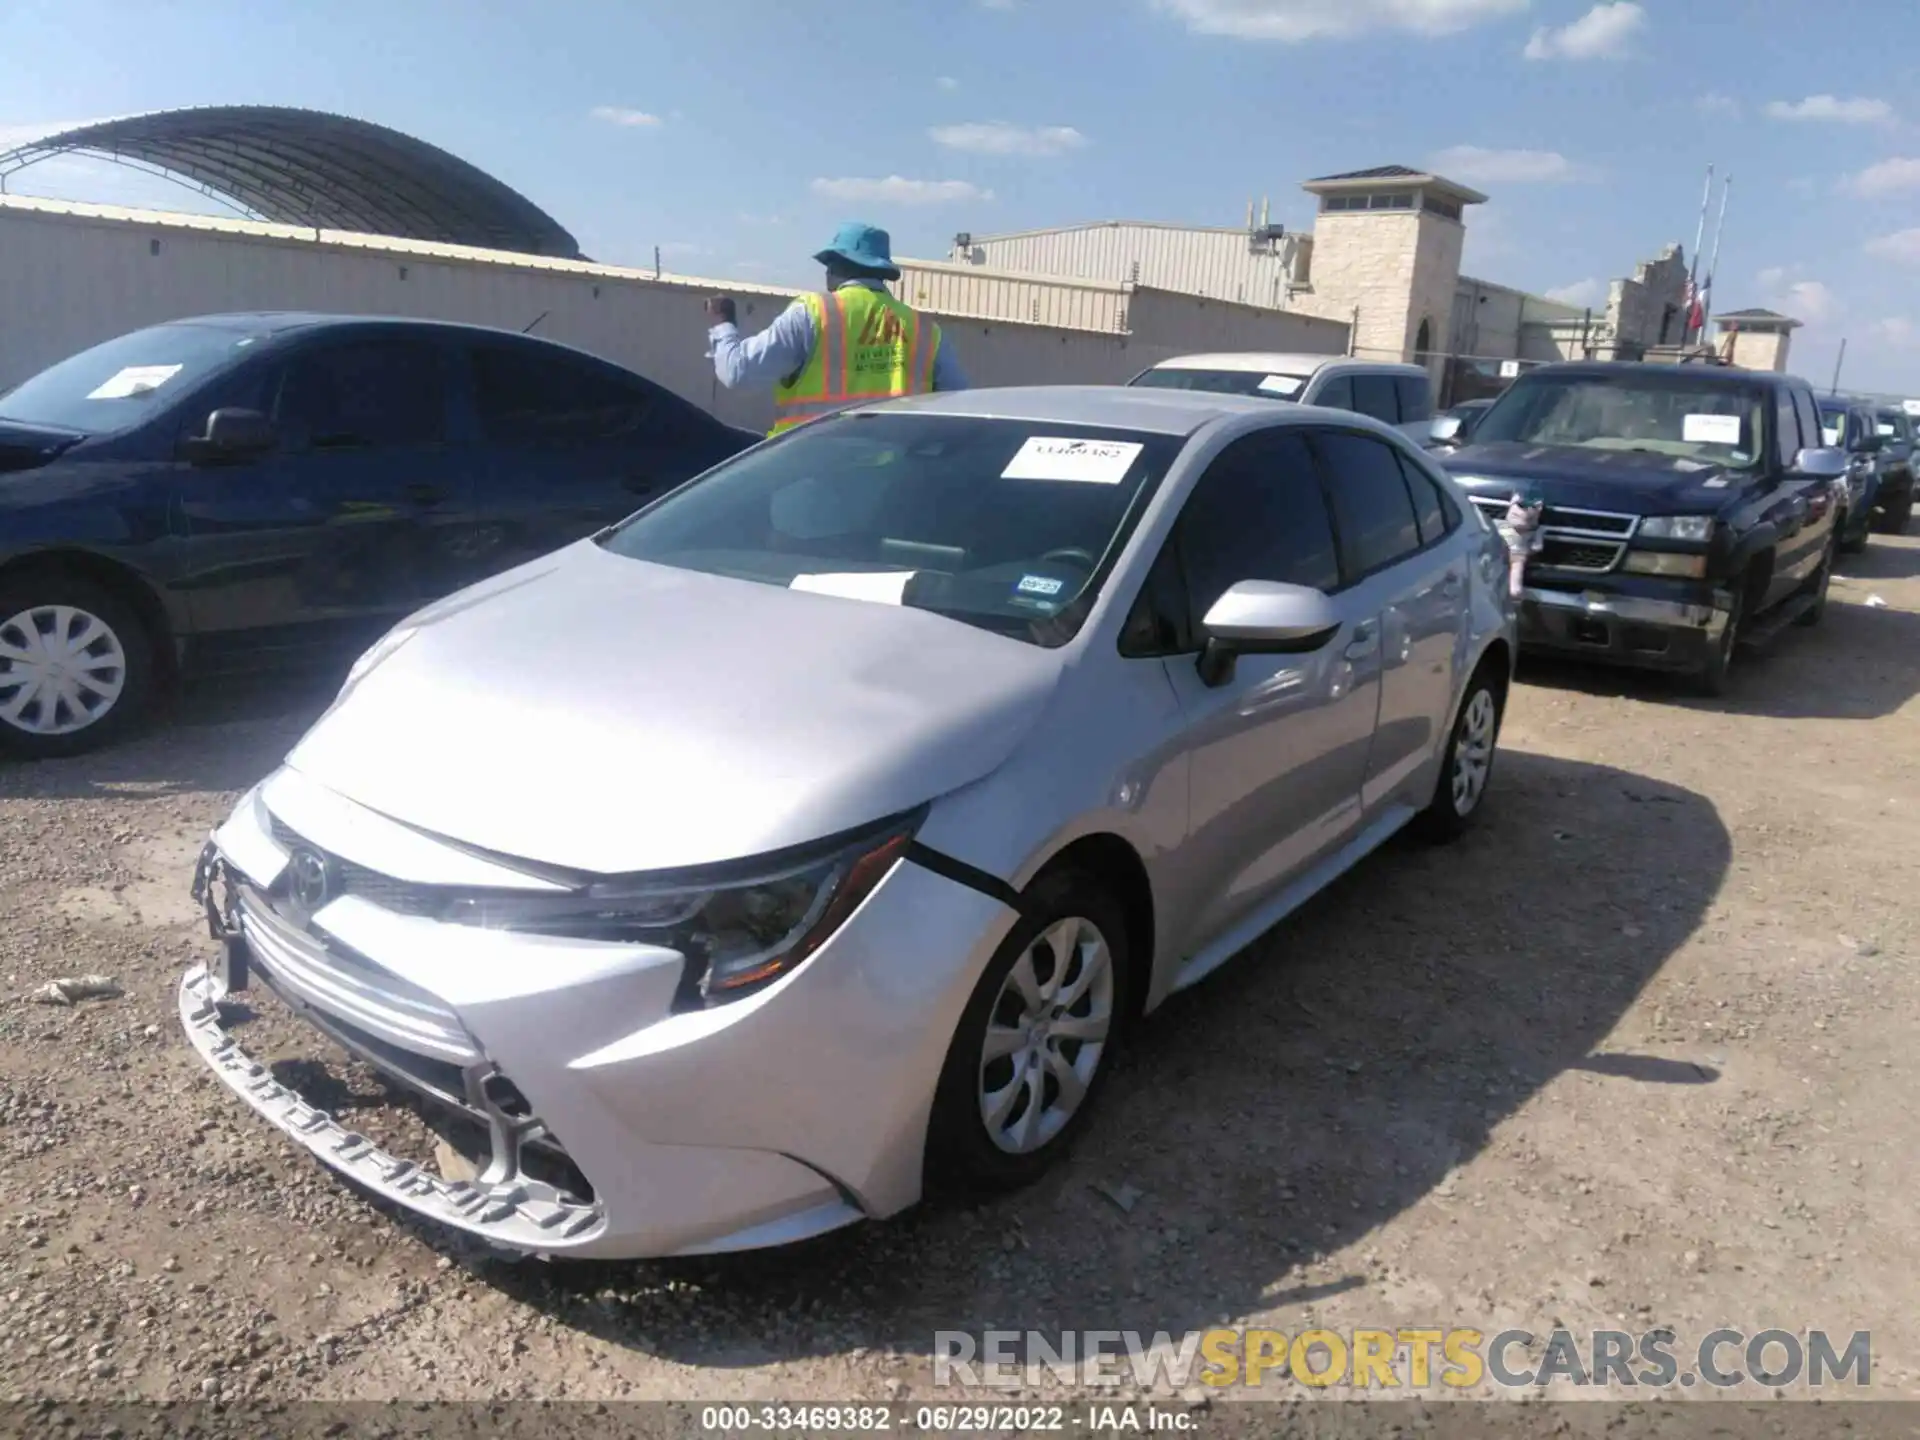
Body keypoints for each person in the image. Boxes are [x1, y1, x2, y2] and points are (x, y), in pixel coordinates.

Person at [704, 221, 968, 436]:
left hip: (811, 471)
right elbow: (958, 407)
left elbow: (738, 372)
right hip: (892, 480)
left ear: (836, 265)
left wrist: (722, 323)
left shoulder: (812, 313)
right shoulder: (924, 328)